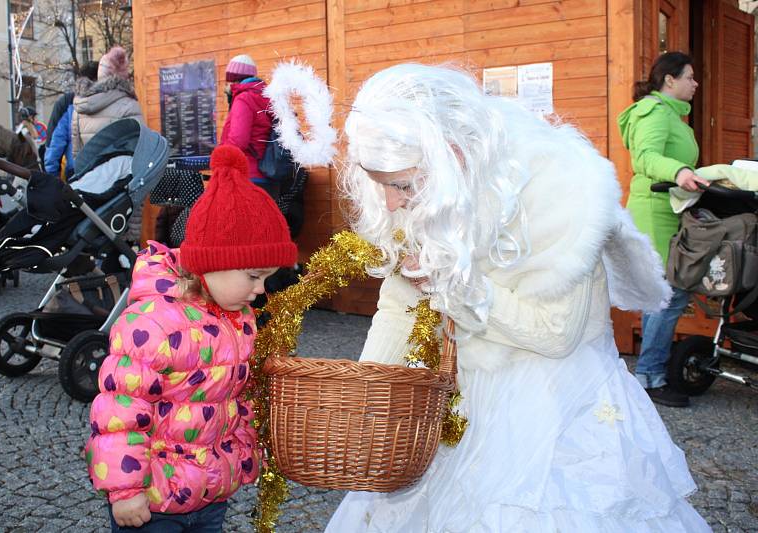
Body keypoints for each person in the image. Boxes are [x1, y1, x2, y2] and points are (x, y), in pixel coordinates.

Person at [325, 64, 710, 532]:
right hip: (464, 392)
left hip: (557, 404)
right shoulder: (426, 191)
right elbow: (400, 301)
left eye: (401, 185)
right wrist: (366, 394)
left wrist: (456, 285)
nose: (390, 203)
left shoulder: (561, 196)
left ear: (451, 154)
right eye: (380, 184)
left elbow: (556, 336)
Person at [85, 144, 297, 531]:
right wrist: (126, 489)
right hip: (154, 500)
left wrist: (250, 449)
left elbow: (237, 398)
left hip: (209, 493)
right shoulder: (155, 324)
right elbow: (119, 413)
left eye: (267, 278)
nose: (261, 290)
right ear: (211, 263)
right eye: (253, 276)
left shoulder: (239, 319)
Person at [618, 51, 707, 408]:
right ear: (670, 80)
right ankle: (650, 376)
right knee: (666, 295)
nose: (695, 83)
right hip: (655, 212)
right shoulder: (653, 111)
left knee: (671, 294)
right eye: (690, 76)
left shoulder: (672, 115)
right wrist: (680, 173)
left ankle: (654, 369)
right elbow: (645, 158)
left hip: (671, 209)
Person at [73, 45, 144, 243]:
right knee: (123, 245)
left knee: (93, 238)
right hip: (122, 188)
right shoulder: (129, 105)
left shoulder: (80, 107)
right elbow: (140, 154)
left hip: (90, 186)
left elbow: (77, 154)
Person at [218, 54, 275, 198]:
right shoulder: (268, 96)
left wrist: (219, 156)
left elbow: (238, 140)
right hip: (269, 173)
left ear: (233, 80)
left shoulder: (244, 98)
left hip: (248, 175)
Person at [44, 61, 98, 178]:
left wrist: (52, 176)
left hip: (77, 172)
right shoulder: (115, 102)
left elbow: (55, 144)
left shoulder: (68, 104)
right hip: (108, 172)